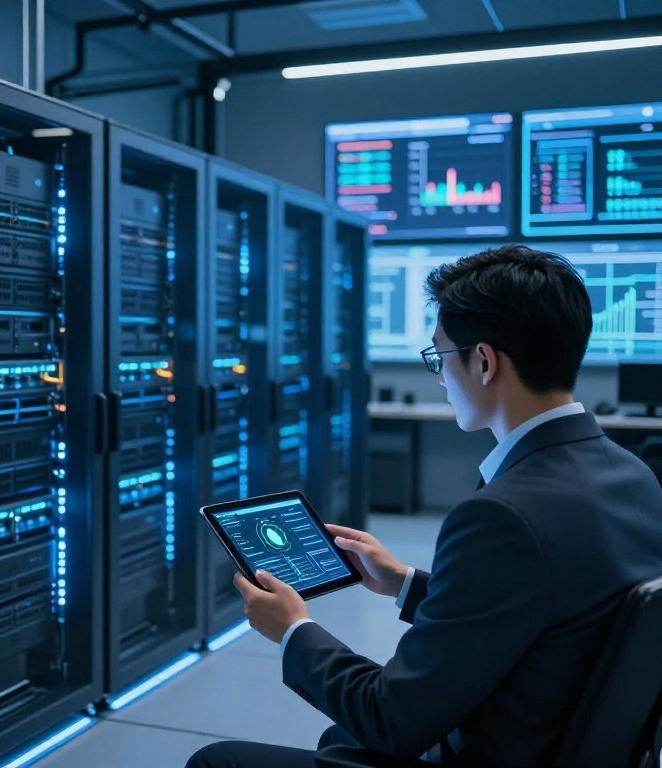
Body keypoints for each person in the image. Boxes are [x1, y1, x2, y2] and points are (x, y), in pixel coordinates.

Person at [186, 244, 662, 768]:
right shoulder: (632, 473)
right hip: (555, 737)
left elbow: (391, 719)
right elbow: (545, 606)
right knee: (337, 740)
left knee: (218, 761)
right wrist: (405, 583)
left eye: (439, 358)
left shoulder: (504, 516)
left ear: (484, 361)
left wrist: (293, 630)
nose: (439, 377)